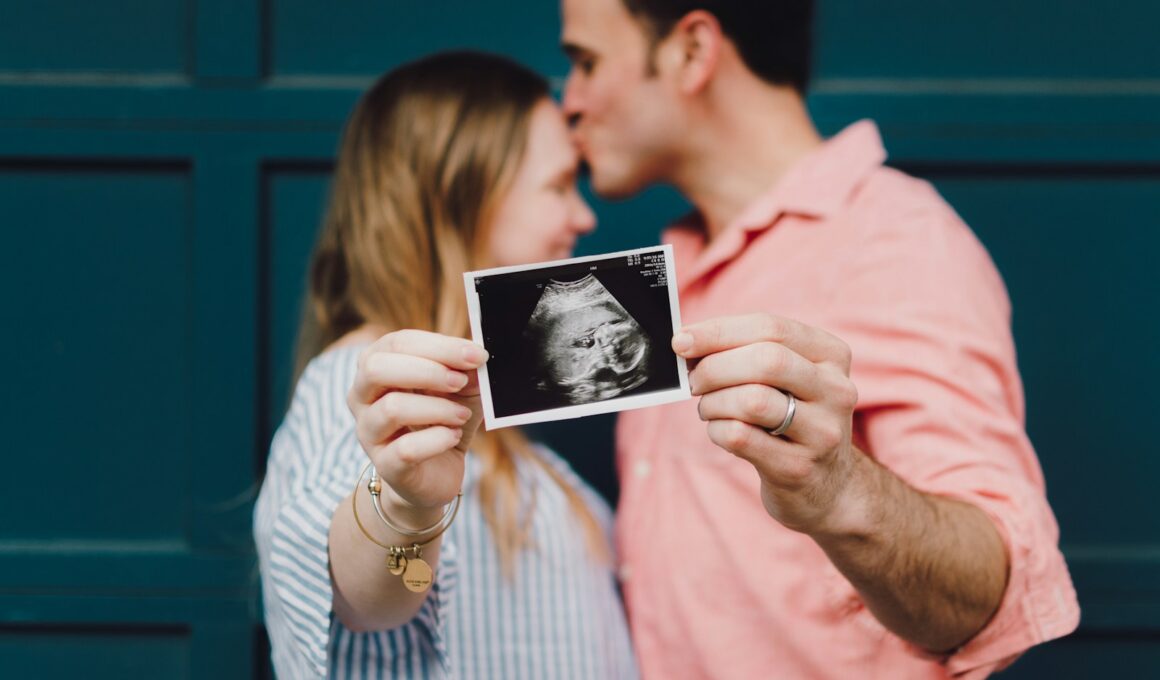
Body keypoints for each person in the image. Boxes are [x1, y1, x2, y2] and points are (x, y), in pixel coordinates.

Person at [559, 0, 1080, 678]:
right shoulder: (666, 273)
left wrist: (837, 492)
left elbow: (987, 597)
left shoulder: (895, 241)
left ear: (691, 52)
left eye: (586, 61)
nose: (569, 101)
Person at [253, 50, 637, 679]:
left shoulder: (492, 427)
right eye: (559, 185)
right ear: (461, 195)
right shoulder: (363, 388)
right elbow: (359, 595)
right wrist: (407, 505)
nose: (584, 217)